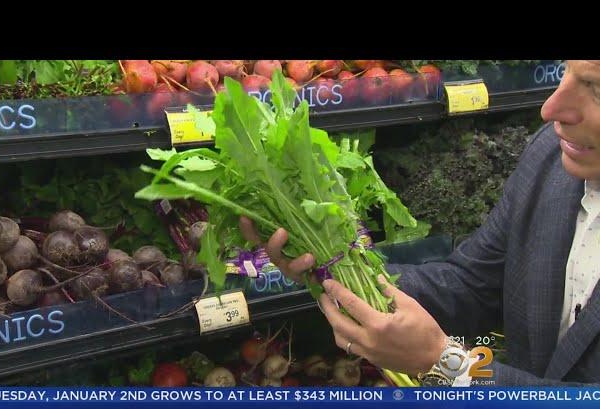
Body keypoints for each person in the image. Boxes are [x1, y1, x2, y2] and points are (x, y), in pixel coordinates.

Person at [240, 60, 600, 386]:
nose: (550, 109)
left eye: (596, 88)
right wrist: (332, 267)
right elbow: (472, 286)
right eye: (567, 70)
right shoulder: (550, 160)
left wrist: (445, 363)